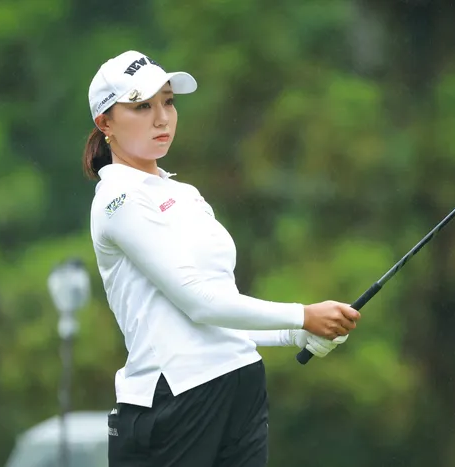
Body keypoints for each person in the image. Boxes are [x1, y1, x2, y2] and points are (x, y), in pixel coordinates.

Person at [84, 50, 361, 467]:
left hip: (240, 382)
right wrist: (303, 316)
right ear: (105, 123)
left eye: (168, 102)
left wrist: (294, 333)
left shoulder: (185, 194)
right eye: (142, 106)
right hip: (173, 399)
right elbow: (198, 302)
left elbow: (220, 309)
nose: (162, 118)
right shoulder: (117, 199)